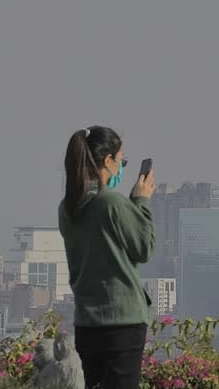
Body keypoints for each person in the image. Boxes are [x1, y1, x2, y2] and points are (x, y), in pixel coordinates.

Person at [58, 125, 156, 389]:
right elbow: (144, 247)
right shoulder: (111, 202)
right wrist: (141, 202)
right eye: (122, 160)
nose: (122, 167)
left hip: (87, 323)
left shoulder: (68, 209)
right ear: (107, 161)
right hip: (122, 323)